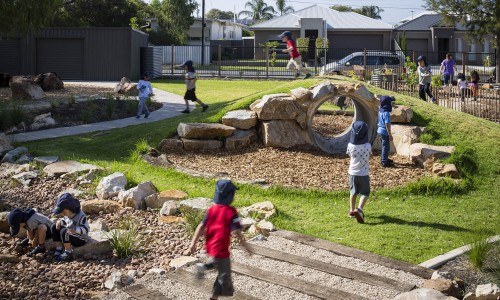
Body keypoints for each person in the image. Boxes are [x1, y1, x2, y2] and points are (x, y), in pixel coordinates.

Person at [184, 179, 252, 300]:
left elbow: (200, 226)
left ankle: (204, 268)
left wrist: (192, 244)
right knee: (224, 277)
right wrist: (245, 245)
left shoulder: (211, 210)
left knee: (218, 265)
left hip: (211, 246)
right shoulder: (231, 212)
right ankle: (205, 269)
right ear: (230, 196)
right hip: (221, 249)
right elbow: (236, 231)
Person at [50, 193, 89, 262]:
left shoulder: (81, 216)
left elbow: (86, 229)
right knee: (54, 226)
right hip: (70, 234)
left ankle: (68, 252)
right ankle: (59, 248)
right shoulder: (68, 214)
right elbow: (65, 220)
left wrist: (76, 230)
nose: (62, 214)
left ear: (70, 208)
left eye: (64, 212)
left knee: (65, 232)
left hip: (80, 238)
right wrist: (60, 222)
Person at [346, 121, 372, 224]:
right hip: (363, 173)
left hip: (352, 172)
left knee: (353, 192)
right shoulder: (368, 146)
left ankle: (352, 211)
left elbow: (349, 155)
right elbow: (369, 156)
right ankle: (360, 209)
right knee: (365, 193)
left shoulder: (350, 146)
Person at [377, 96, 395, 168]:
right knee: (386, 147)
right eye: (390, 102)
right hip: (385, 132)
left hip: (379, 130)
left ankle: (384, 158)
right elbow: (387, 124)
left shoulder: (380, 111)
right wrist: (390, 134)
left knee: (384, 146)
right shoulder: (386, 113)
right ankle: (384, 162)